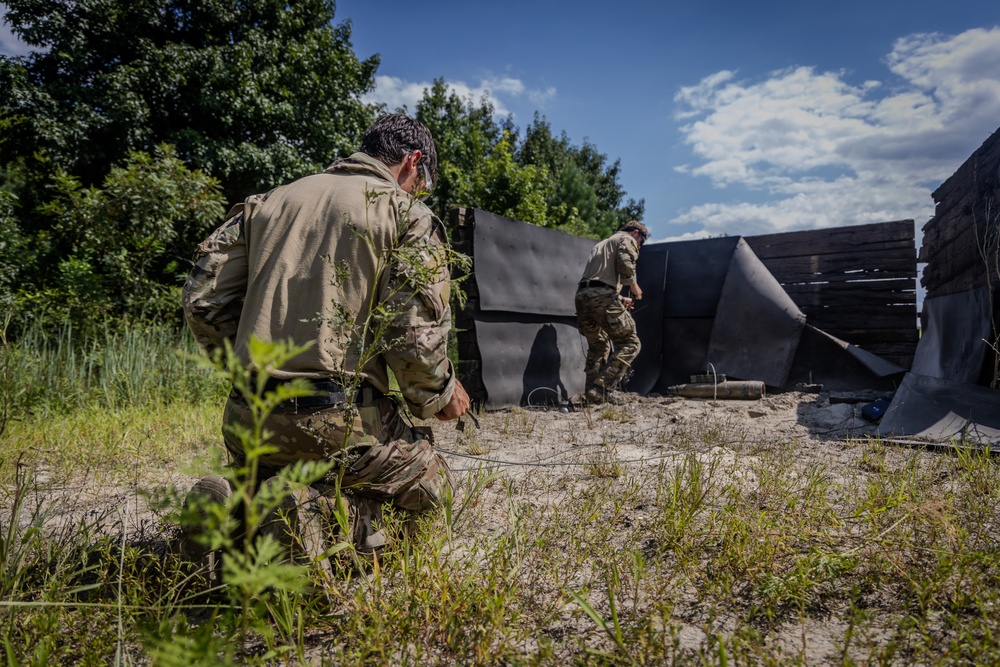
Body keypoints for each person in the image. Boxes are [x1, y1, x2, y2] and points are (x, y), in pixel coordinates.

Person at [181, 113, 470, 556]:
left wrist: (246, 365)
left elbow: (202, 300)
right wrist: (439, 394)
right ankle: (316, 519)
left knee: (286, 466)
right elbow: (413, 333)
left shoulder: (267, 202)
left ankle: (235, 506)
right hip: (341, 423)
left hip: (250, 417)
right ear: (413, 162)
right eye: (423, 181)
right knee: (437, 490)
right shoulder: (405, 212)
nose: (418, 191)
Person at [574, 221, 648, 404]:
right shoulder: (626, 239)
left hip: (583, 297)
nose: (639, 247)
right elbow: (625, 260)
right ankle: (602, 388)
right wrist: (634, 286)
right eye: (641, 243)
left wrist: (622, 299)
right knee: (630, 343)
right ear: (636, 233)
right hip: (601, 296)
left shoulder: (601, 244)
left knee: (599, 346)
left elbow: (596, 283)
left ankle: (592, 396)